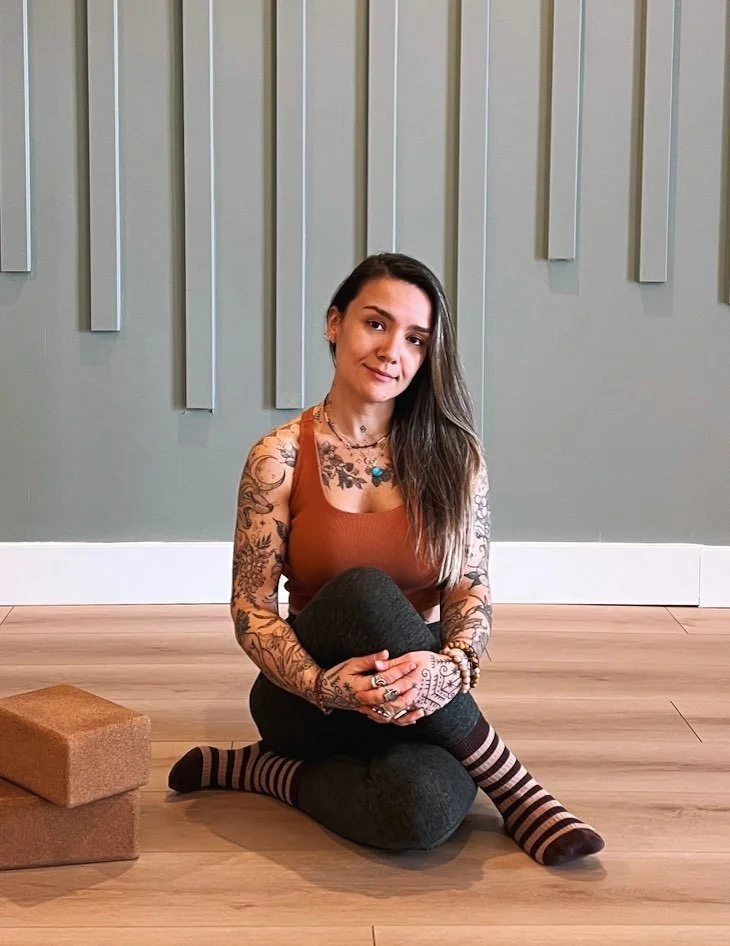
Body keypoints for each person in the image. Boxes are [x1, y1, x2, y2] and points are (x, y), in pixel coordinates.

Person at [168, 252, 605, 866]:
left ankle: (265, 772)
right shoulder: (278, 458)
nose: (392, 350)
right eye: (375, 323)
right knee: (366, 592)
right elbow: (251, 609)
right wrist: (323, 685)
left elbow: (469, 586)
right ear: (334, 323)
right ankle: (514, 786)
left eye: (416, 339)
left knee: (423, 813)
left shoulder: (457, 457)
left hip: (420, 695)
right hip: (308, 699)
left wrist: (449, 669)